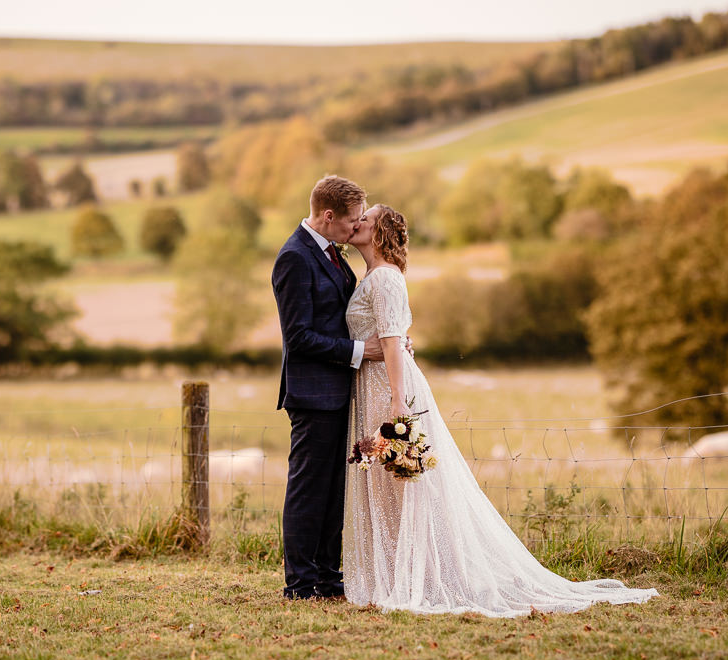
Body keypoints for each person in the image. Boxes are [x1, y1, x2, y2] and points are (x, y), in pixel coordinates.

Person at [342, 204, 658, 617]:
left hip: (389, 390)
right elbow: (394, 337)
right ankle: (395, 572)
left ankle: (418, 577)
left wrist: (399, 402)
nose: (358, 220)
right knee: (390, 487)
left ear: (379, 231)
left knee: (405, 486)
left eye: (367, 217)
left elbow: (391, 341)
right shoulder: (376, 277)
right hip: (375, 384)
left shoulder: (384, 278)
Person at [272, 175, 382, 600]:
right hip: (313, 393)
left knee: (334, 488)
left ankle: (327, 575)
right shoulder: (294, 258)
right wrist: (360, 351)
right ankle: (300, 582)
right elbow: (297, 337)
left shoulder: (332, 253)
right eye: (352, 221)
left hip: (338, 391)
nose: (356, 228)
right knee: (308, 488)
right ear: (329, 215)